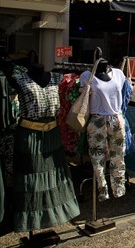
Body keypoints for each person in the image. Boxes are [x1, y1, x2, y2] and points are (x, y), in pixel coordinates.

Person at [9, 61, 80, 232]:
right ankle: (32, 221)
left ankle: (54, 216)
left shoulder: (57, 78)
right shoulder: (18, 79)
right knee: (32, 179)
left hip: (52, 134)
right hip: (30, 135)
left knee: (54, 176)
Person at [79, 57, 131, 201]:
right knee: (97, 158)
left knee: (118, 156)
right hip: (97, 120)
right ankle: (102, 190)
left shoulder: (119, 74)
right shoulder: (86, 76)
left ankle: (119, 189)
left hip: (116, 118)